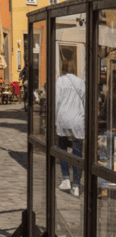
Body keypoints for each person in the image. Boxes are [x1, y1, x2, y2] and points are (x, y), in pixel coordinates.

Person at [56, 53, 85, 197]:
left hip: (63, 119)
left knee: (62, 148)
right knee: (77, 152)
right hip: (77, 120)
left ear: (63, 67)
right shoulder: (81, 82)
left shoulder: (60, 81)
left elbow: (56, 102)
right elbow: (85, 102)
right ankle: (77, 186)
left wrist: (55, 118)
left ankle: (66, 178)